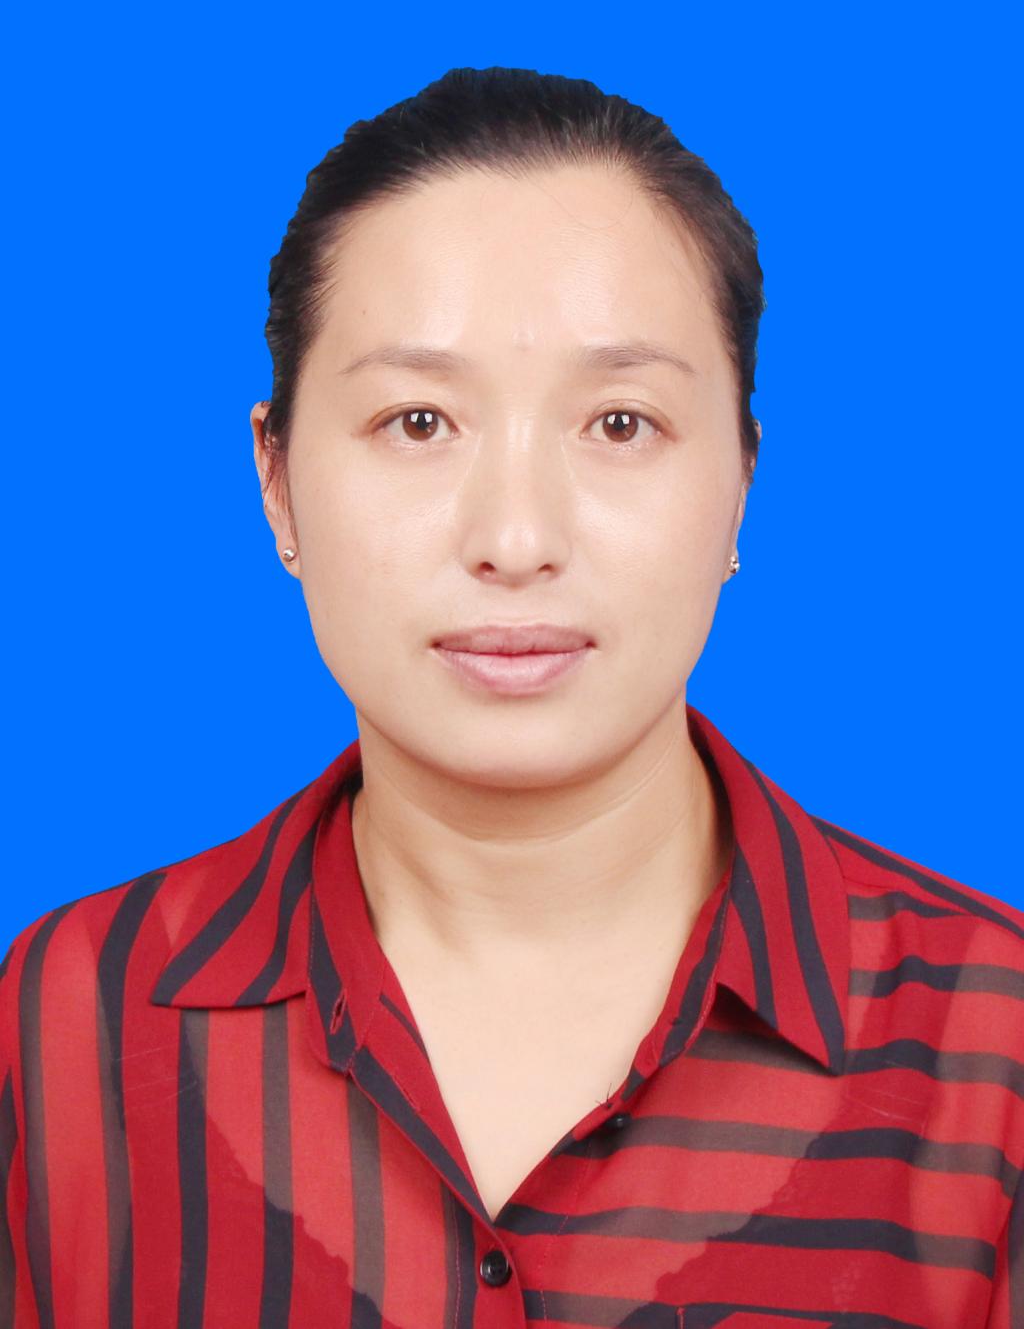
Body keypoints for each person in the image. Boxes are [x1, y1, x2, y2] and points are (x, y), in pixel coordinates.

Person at [0, 67, 1020, 1329]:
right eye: (419, 422)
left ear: (741, 486)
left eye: (621, 424)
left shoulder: (991, 1047)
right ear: (276, 481)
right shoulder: (72, 1018)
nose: (517, 539)